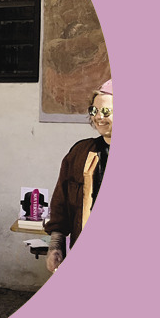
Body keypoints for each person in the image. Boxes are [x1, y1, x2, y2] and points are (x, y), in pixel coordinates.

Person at [44, 79, 112, 274]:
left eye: (106, 111)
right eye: (94, 110)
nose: (98, 117)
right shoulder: (80, 153)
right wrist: (55, 246)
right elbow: (61, 204)